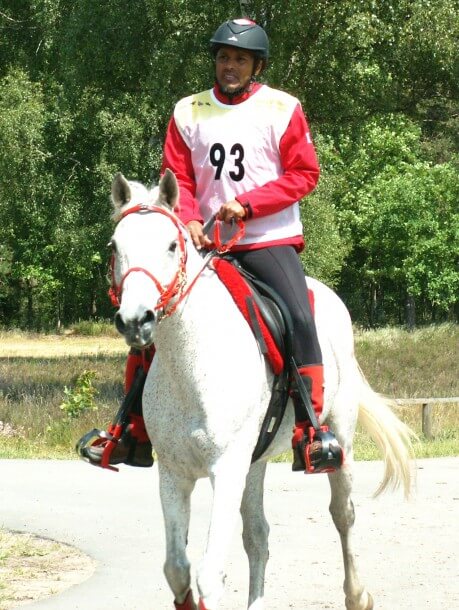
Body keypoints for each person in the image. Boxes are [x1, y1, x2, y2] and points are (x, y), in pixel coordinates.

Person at [82, 18, 343, 473]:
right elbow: (177, 175)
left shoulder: (283, 108)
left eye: (240, 59)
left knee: (300, 315)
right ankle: (131, 430)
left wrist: (247, 204)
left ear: (256, 65)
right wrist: (190, 220)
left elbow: (305, 174)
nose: (230, 66)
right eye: (223, 57)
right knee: (153, 319)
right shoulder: (188, 110)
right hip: (203, 243)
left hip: (266, 238)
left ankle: (311, 430)